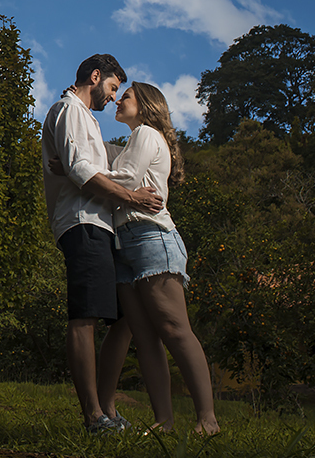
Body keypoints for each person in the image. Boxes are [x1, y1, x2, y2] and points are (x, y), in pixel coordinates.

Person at [42, 55, 164, 434]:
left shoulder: (87, 119)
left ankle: (107, 407)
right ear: (95, 77)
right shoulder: (69, 109)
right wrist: (132, 198)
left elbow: (104, 165)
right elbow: (82, 171)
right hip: (82, 224)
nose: (113, 98)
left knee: (124, 318)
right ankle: (94, 416)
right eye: (112, 88)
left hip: (102, 226)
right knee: (85, 316)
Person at [96, 82, 219, 435]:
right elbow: (124, 184)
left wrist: (81, 174)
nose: (119, 100)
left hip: (151, 237)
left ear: (147, 106)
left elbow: (127, 179)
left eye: (127, 96)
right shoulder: (133, 140)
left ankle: (207, 419)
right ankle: (164, 422)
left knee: (174, 329)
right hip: (125, 244)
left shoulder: (146, 134)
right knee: (145, 338)